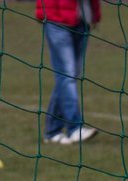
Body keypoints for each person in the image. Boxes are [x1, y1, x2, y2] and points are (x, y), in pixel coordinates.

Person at [37, 0, 101, 146]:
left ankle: (53, 131)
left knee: (68, 77)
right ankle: (74, 128)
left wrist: (95, 15)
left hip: (82, 20)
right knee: (67, 75)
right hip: (57, 20)